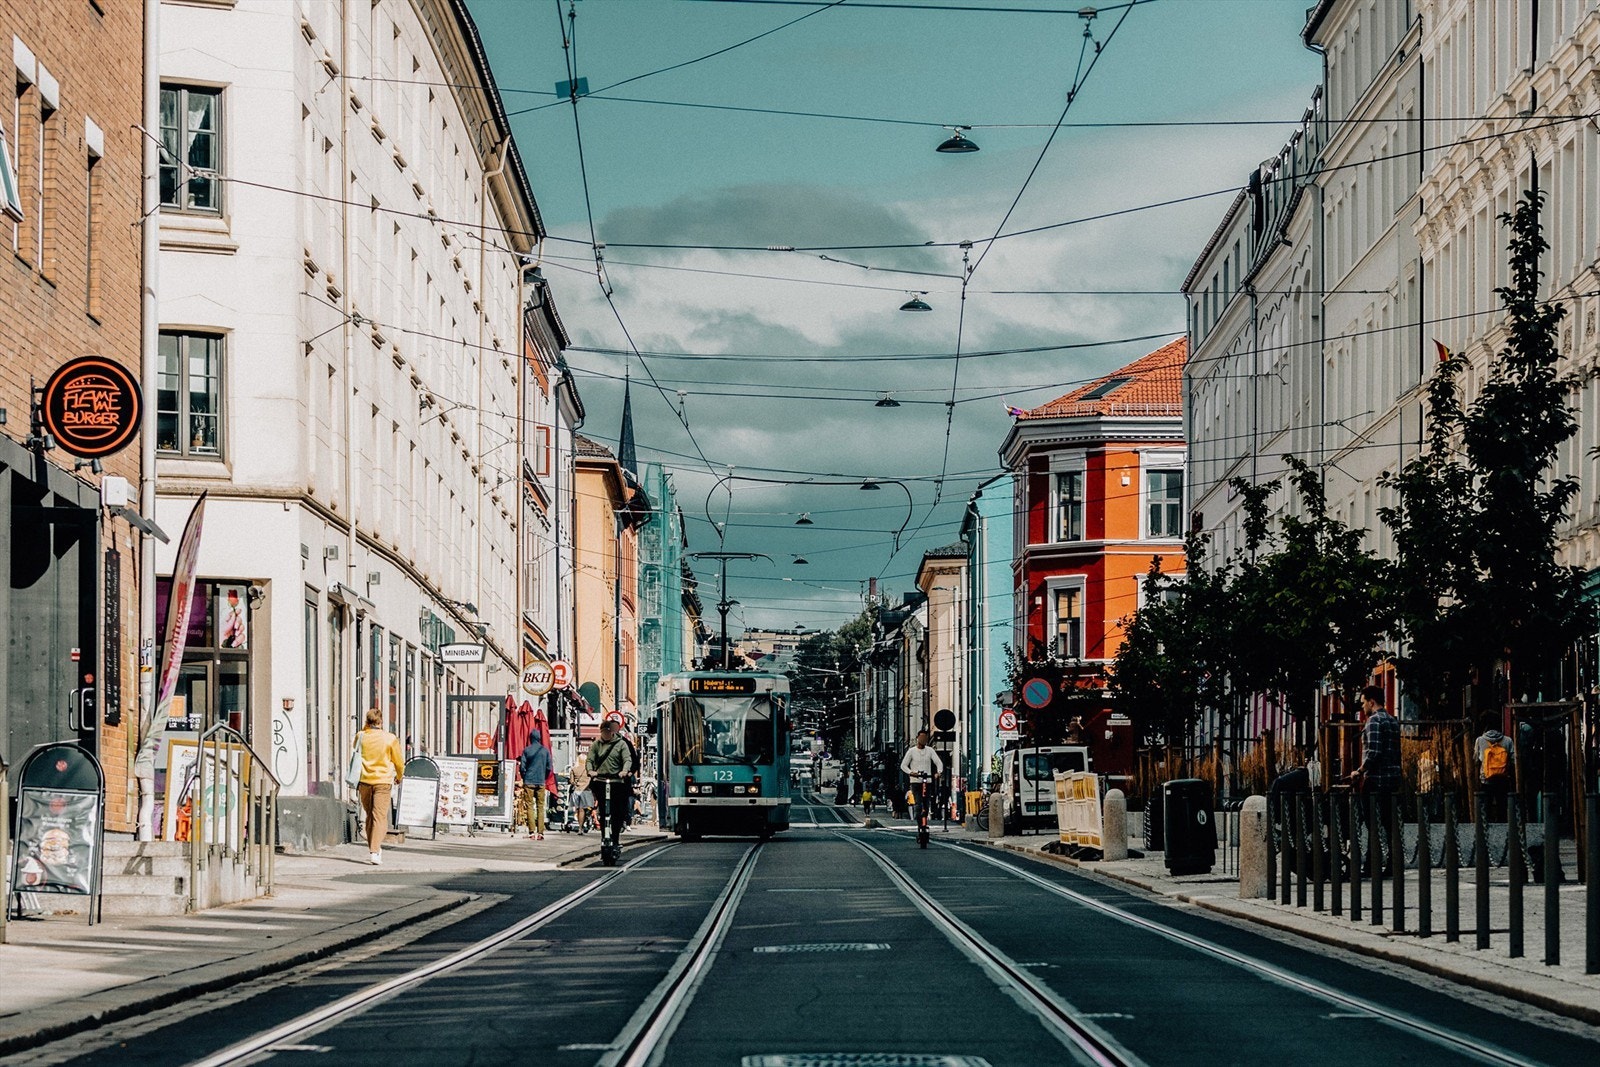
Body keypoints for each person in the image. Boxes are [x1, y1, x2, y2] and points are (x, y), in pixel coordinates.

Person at [1353, 684, 1400, 870]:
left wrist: (1360, 771)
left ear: (1371, 702)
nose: (1362, 707)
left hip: (1376, 780)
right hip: (1393, 779)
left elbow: (1373, 752)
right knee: (1389, 823)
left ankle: (1372, 861)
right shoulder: (1392, 721)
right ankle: (1392, 862)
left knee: (1372, 822)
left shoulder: (1373, 721)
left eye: (1363, 703)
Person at [355, 708, 405, 865]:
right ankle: (375, 851)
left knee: (370, 815)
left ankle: (373, 847)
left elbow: (356, 750)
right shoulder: (390, 738)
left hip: (364, 780)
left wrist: (365, 728)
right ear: (381, 721)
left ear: (367, 721)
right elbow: (398, 761)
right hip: (383, 781)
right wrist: (399, 776)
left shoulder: (361, 736)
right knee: (379, 817)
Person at [588, 720, 634, 851]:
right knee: (603, 811)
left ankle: (615, 838)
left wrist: (624, 771)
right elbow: (590, 759)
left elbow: (627, 759)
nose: (605, 734)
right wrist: (591, 771)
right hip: (601, 781)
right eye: (603, 732)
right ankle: (604, 836)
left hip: (617, 782)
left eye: (607, 732)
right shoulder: (596, 745)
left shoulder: (621, 744)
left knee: (617, 812)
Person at [900, 730, 945, 829]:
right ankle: (920, 823)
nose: (923, 740)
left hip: (927, 781)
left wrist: (938, 772)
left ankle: (925, 820)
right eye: (922, 738)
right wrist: (911, 772)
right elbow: (903, 765)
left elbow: (938, 762)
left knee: (926, 802)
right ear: (917, 738)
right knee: (918, 803)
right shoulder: (911, 751)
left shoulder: (930, 750)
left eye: (925, 738)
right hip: (915, 781)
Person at [1474, 716, 1515, 821]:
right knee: (1502, 805)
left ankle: (1487, 829)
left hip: (1486, 779)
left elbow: (1476, 759)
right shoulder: (1508, 740)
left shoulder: (1480, 740)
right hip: (1503, 778)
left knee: (1486, 806)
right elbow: (1513, 759)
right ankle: (1502, 827)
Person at [518, 735, 552, 840]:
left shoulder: (527, 750)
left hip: (529, 781)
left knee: (529, 806)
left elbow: (522, 767)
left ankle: (532, 832)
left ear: (530, 739)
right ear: (539, 738)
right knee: (540, 807)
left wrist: (525, 776)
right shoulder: (545, 751)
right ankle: (541, 832)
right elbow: (549, 767)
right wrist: (543, 777)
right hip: (541, 781)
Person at [570, 754, 595, 833]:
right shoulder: (589, 770)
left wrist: (576, 783)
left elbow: (572, 781)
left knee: (579, 810)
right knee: (586, 809)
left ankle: (580, 827)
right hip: (586, 791)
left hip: (577, 791)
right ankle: (584, 825)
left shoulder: (574, 769)